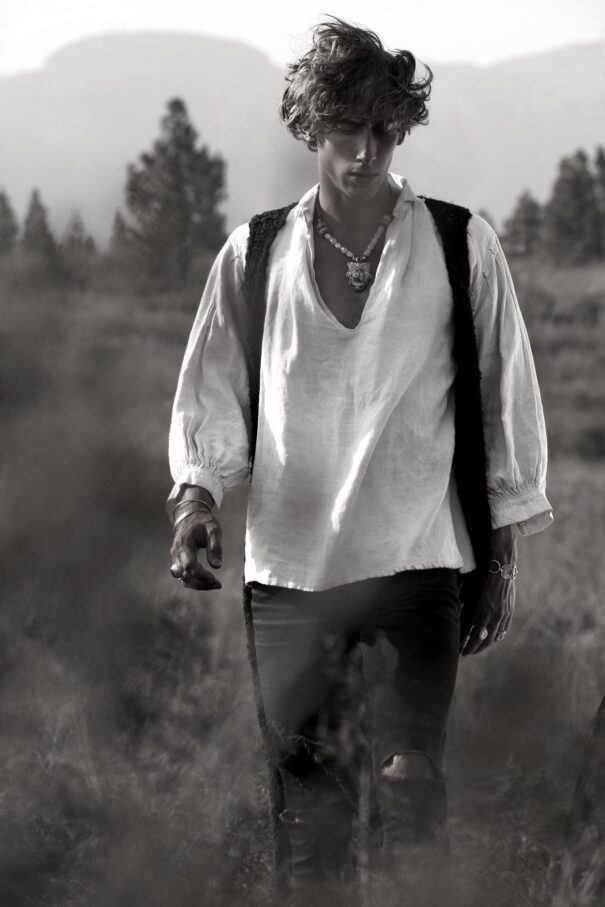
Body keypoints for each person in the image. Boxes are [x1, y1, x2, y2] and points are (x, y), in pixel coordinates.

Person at [166, 16, 553, 905]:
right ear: (312, 126)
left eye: (384, 129)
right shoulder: (255, 254)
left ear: (402, 128)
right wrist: (196, 500)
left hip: (417, 565)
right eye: (346, 128)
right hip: (290, 577)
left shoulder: (459, 244)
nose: (366, 151)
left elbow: (505, 399)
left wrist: (500, 558)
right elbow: (211, 391)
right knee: (313, 827)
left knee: (412, 795)